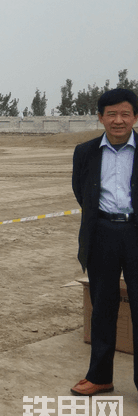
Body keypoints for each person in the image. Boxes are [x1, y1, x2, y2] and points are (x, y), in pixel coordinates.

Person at [70, 88, 138, 397]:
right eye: (111, 114)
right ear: (100, 117)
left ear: (135, 117)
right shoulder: (85, 152)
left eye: (125, 113)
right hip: (102, 234)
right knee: (102, 308)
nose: (118, 120)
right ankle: (100, 376)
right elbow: (81, 192)